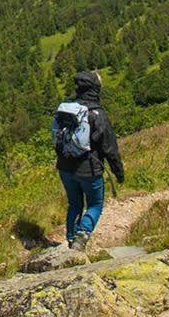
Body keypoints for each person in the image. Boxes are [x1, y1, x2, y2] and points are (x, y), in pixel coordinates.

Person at [53, 70, 124, 249]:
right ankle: (82, 235)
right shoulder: (97, 114)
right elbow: (110, 148)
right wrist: (118, 172)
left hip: (65, 166)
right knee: (95, 204)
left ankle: (70, 239)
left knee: (74, 204)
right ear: (96, 88)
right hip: (89, 169)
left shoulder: (67, 109)